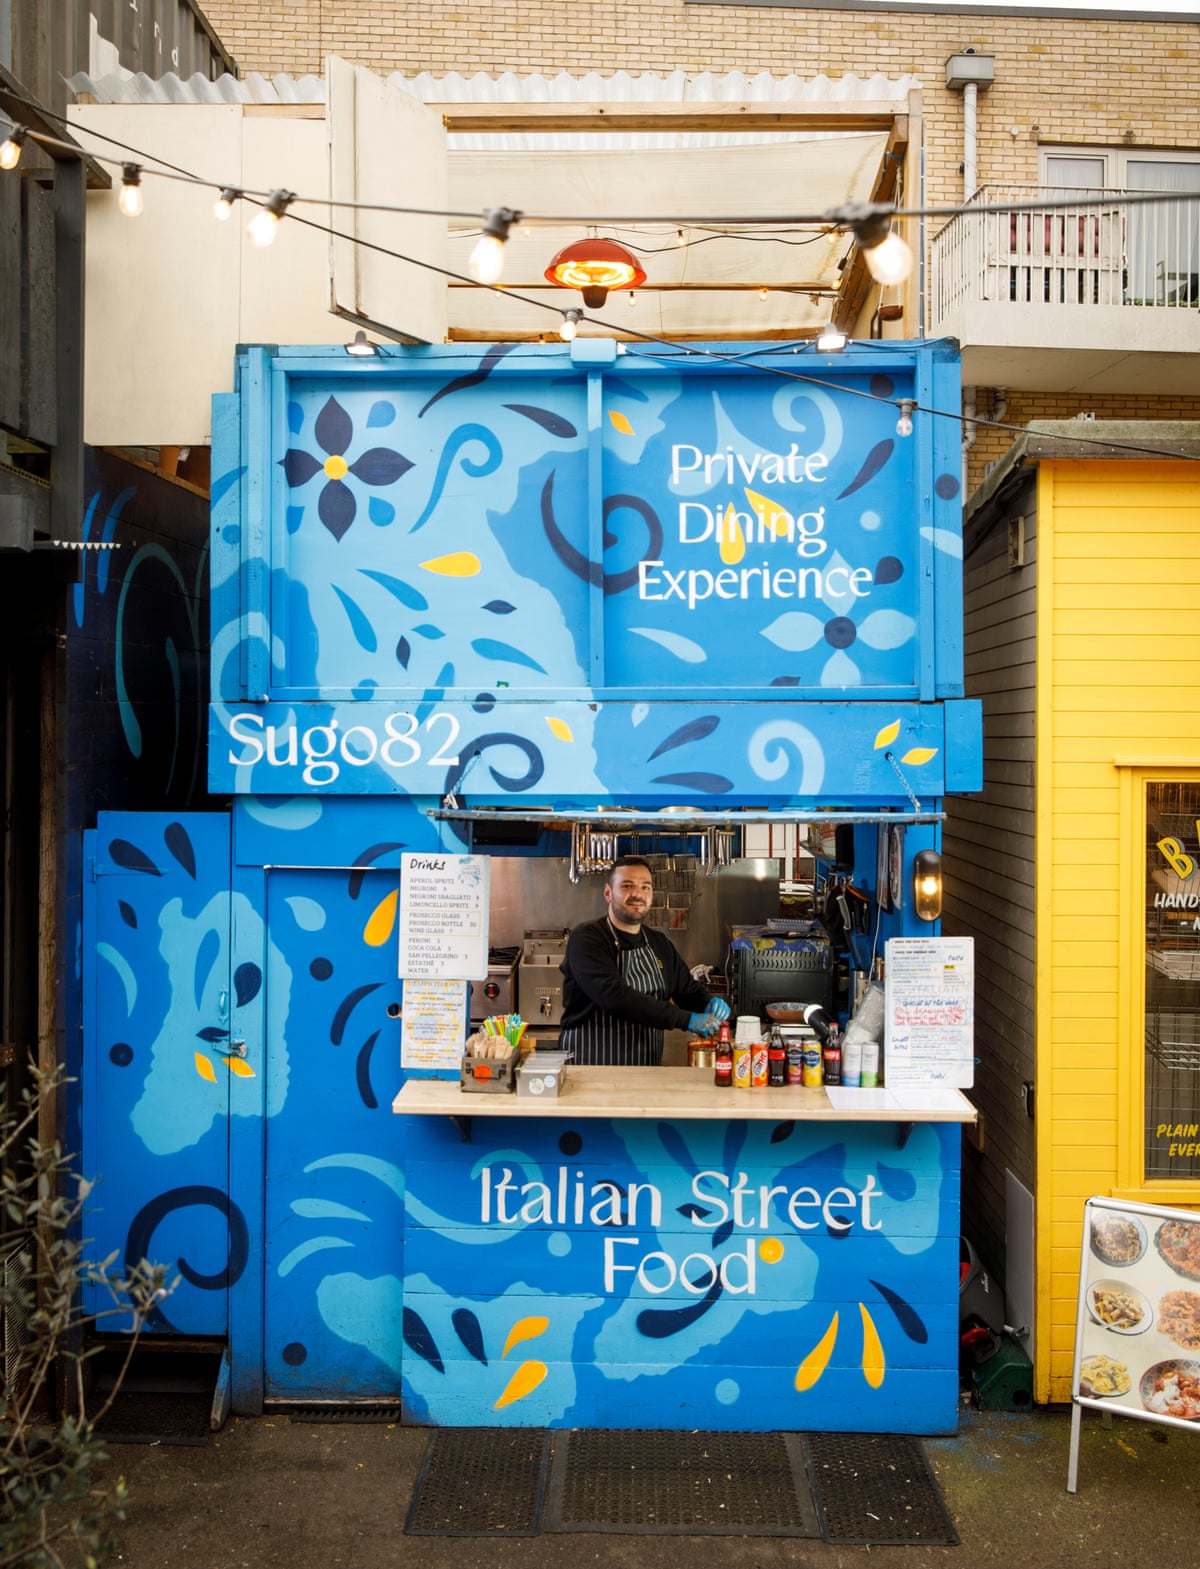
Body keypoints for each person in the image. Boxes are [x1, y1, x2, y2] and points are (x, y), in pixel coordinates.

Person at [558, 855, 731, 1066]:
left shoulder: (659, 943)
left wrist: (708, 1004)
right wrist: (686, 1020)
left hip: (645, 1070)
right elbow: (615, 996)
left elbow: (687, 990)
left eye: (645, 887)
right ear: (608, 893)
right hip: (591, 1068)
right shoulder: (587, 939)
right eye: (627, 885)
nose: (637, 894)